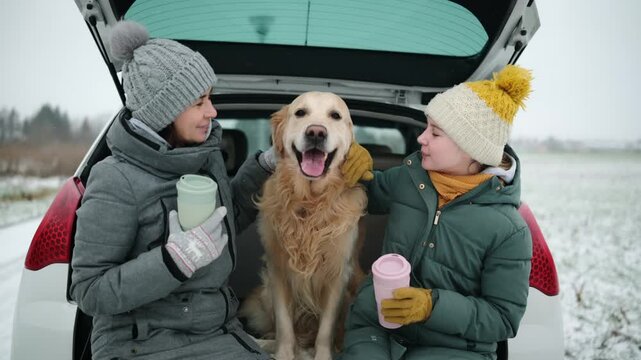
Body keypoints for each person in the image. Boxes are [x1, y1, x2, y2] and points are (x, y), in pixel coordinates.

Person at [70, 21, 275, 360]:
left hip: (214, 330)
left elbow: (224, 222)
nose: (212, 111)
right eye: (199, 102)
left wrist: (266, 165)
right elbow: (90, 292)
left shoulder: (203, 159)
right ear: (165, 111)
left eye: (210, 98)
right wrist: (175, 259)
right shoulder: (116, 179)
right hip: (145, 343)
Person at [339, 65, 534, 360]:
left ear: (472, 149)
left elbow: (503, 319)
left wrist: (432, 305)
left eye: (436, 133)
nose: (422, 139)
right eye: (426, 127)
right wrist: (354, 160)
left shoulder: (508, 230)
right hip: (376, 324)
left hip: (452, 346)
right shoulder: (409, 177)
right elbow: (366, 195)